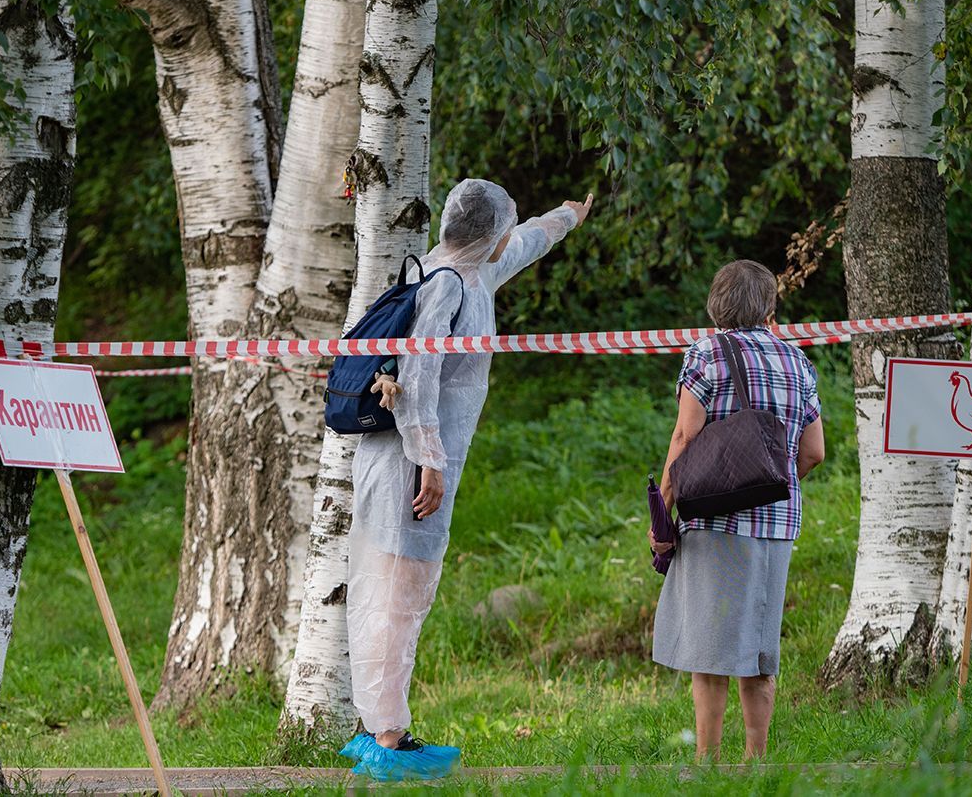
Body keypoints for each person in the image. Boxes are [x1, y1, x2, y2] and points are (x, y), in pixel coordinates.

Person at [342, 179, 593, 780]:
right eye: (503, 227)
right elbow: (419, 375)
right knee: (396, 597)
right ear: (488, 232)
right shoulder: (448, 283)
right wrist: (430, 461)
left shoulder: (472, 270)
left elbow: (526, 241)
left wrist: (568, 215)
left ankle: (385, 730)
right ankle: (385, 741)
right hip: (409, 462)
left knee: (404, 595)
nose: (510, 236)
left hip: (417, 458)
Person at [649, 259, 824, 762]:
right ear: (769, 307)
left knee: (711, 649)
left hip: (715, 519)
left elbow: (685, 434)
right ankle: (757, 761)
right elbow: (813, 453)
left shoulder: (707, 354)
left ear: (717, 302)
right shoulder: (798, 362)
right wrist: (765, 485)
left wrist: (663, 511)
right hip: (776, 524)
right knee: (759, 650)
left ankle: (707, 762)